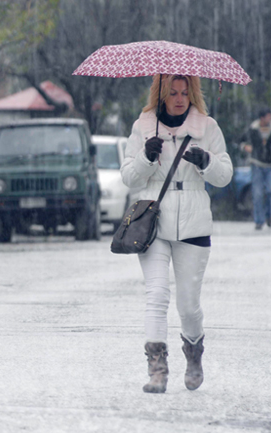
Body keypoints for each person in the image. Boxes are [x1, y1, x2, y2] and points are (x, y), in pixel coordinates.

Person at [120, 74, 233, 394]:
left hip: (194, 223)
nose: (180, 98)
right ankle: (157, 370)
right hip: (153, 219)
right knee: (155, 296)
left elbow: (225, 176)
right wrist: (145, 157)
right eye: (173, 92)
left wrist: (206, 162)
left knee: (187, 304)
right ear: (161, 95)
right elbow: (129, 177)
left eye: (185, 92)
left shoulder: (207, 127)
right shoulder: (143, 126)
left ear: (192, 93)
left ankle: (194, 355)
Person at [239, 107, 271, 230]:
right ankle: (259, 221)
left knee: (270, 191)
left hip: (269, 165)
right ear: (262, 118)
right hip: (257, 164)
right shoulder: (253, 129)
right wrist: (245, 147)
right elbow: (241, 140)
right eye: (268, 116)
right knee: (257, 193)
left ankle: (269, 217)